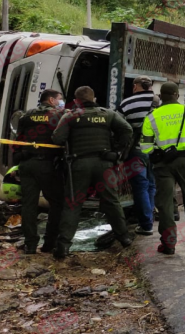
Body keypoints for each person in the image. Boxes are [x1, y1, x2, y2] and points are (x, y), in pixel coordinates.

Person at [52, 86, 134, 259]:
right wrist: (118, 152)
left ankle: (63, 247)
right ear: (94, 98)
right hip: (104, 163)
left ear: (76, 101)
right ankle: (124, 238)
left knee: (73, 204)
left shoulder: (70, 116)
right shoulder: (108, 114)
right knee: (111, 201)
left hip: (79, 164)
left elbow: (58, 138)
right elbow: (127, 130)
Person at [141, 82, 185, 255]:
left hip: (163, 165)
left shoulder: (151, 117)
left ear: (161, 96)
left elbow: (145, 148)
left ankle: (169, 244)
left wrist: (159, 152)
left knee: (165, 203)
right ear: (177, 95)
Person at [14, 90, 65, 254]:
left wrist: (19, 157)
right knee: (57, 203)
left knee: (29, 205)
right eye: (59, 99)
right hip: (48, 165)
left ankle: (30, 245)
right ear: (51, 100)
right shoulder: (58, 115)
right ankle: (49, 243)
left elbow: (18, 139)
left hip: (27, 164)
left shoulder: (27, 115)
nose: (60, 102)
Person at [117, 76, 156, 236]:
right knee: (152, 185)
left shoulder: (126, 103)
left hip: (136, 151)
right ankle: (149, 220)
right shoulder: (159, 102)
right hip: (156, 150)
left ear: (135, 86)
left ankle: (146, 225)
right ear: (150, 86)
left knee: (140, 186)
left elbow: (118, 127)